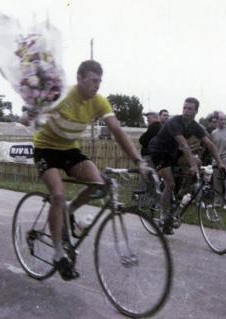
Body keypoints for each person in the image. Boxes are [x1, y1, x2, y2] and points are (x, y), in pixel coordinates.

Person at [33, 60, 150, 280]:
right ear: (79, 78)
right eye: (93, 81)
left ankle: (70, 210)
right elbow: (38, 109)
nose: (97, 86)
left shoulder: (98, 102)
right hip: (46, 149)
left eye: (99, 81)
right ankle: (58, 254)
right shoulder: (63, 95)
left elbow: (116, 130)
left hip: (69, 150)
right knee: (57, 195)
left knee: (100, 186)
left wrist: (138, 161)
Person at [148, 97, 225, 235]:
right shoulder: (174, 122)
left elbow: (209, 144)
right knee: (170, 184)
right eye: (184, 107)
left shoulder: (194, 126)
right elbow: (184, 145)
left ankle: (179, 197)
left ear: (196, 111)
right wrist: (192, 164)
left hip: (173, 152)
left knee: (197, 164)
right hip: (159, 152)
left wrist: (220, 163)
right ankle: (164, 216)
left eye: (189, 108)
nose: (186, 111)